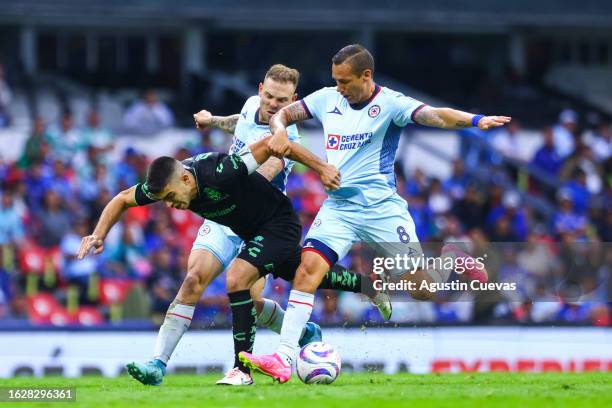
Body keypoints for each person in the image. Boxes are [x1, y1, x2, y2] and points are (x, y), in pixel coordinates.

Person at [239, 44, 511, 383]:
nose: (338, 87)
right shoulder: (326, 98)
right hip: (339, 208)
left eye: (344, 81)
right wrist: (278, 129)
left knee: (422, 290)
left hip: (382, 211)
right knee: (306, 271)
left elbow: (436, 114)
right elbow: (282, 114)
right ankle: (283, 357)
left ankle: (452, 256)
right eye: (335, 80)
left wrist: (475, 120)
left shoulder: (391, 104)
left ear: (366, 76)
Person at [77, 137, 390, 386]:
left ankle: (242, 370)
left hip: (276, 224)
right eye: (165, 202)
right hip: (249, 230)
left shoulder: (221, 170)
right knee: (306, 273)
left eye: (172, 197)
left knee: (237, 279)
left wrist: (320, 167)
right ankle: (366, 284)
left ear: (186, 179)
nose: (172, 206)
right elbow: (121, 199)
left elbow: (274, 144)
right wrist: (98, 233)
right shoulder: (167, 182)